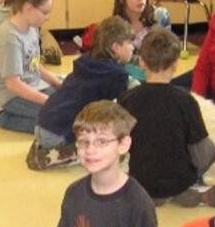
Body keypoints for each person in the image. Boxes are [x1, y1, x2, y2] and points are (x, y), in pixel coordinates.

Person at [119, 29, 215, 207]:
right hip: (180, 180)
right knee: (206, 147)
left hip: (141, 181)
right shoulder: (185, 100)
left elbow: (119, 144)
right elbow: (202, 154)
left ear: (141, 62)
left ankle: (154, 196)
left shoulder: (127, 98)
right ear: (175, 66)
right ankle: (182, 192)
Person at [27, 16, 135, 170]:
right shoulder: (117, 74)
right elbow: (118, 112)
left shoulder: (86, 61)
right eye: (129, 43)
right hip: (58, 135)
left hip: (42, 124)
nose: (133, 48)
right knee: (114, 148)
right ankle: (63, 154)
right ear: (116, 47)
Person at [0, 0, 62, 133]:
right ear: (28, 8)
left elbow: (34, 65)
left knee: (69, 103)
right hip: (10, 95)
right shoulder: (9, 38)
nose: (48, 17)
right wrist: (48, 101)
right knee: (58, 119)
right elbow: (13, 84)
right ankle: (6, 118)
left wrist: (58, 84)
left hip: (32, 85)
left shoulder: (32, 29)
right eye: (44, 12)